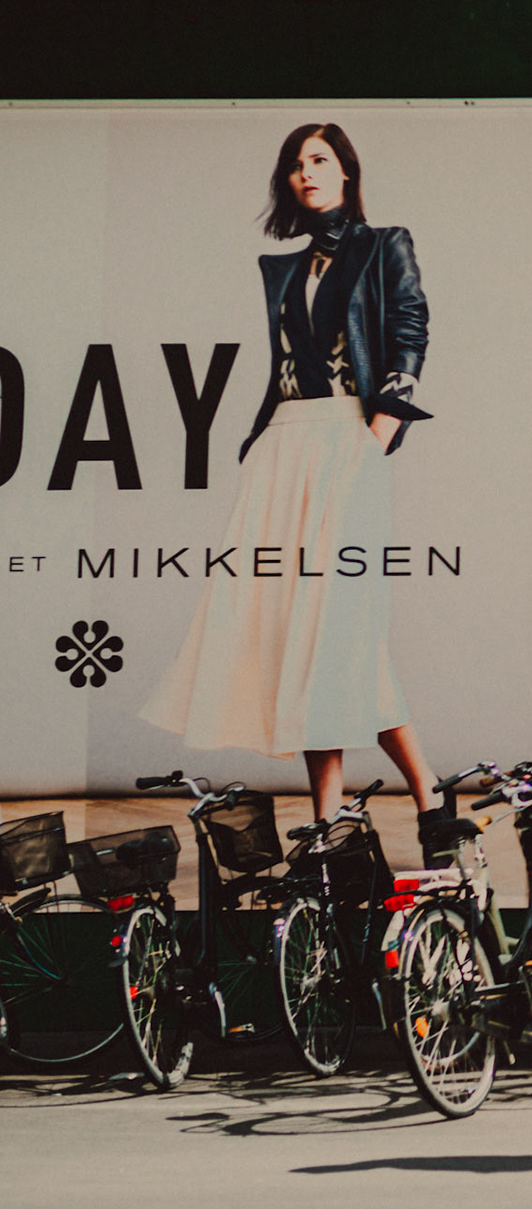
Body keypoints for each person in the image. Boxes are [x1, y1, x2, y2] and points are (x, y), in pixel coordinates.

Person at [143, 123, 440, 831]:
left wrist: (377, 438)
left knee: (341, 630)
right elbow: (284, 368)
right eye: (296, 164)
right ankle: (330, 819)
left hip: (349, 439)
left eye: (319, 160)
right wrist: (260, 444)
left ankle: (426, 788)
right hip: (285, 444)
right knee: (300, 637)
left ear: (345, 171)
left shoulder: (383, 244)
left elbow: (410, 330)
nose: (306, 173)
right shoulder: (286, 269)